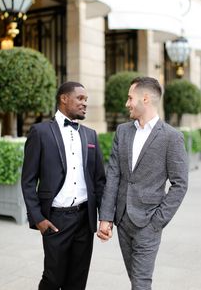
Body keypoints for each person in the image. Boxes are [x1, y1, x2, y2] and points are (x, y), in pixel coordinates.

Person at [97, 76, 188, 290]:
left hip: (148, 223)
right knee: (135, 278)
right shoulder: (123, 131)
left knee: (140, 283)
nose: (127, 103)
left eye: (130, 98)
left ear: (145, 99)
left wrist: (157, 222)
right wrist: (106, 217)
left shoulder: (171, 137)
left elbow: (180, 184)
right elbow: (114, 175)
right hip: (122, 222)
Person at [21, 81, 105, 290]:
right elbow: (28, 180)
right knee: (53, 277)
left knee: (78, 279)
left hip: (85, 219)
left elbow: (99, 180)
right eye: (80, 98)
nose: (85, 103)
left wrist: (105, 217)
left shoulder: (90, 135)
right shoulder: (40, 132)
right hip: (56, 219)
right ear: (64, 98)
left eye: (86, 100)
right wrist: (38, 218)